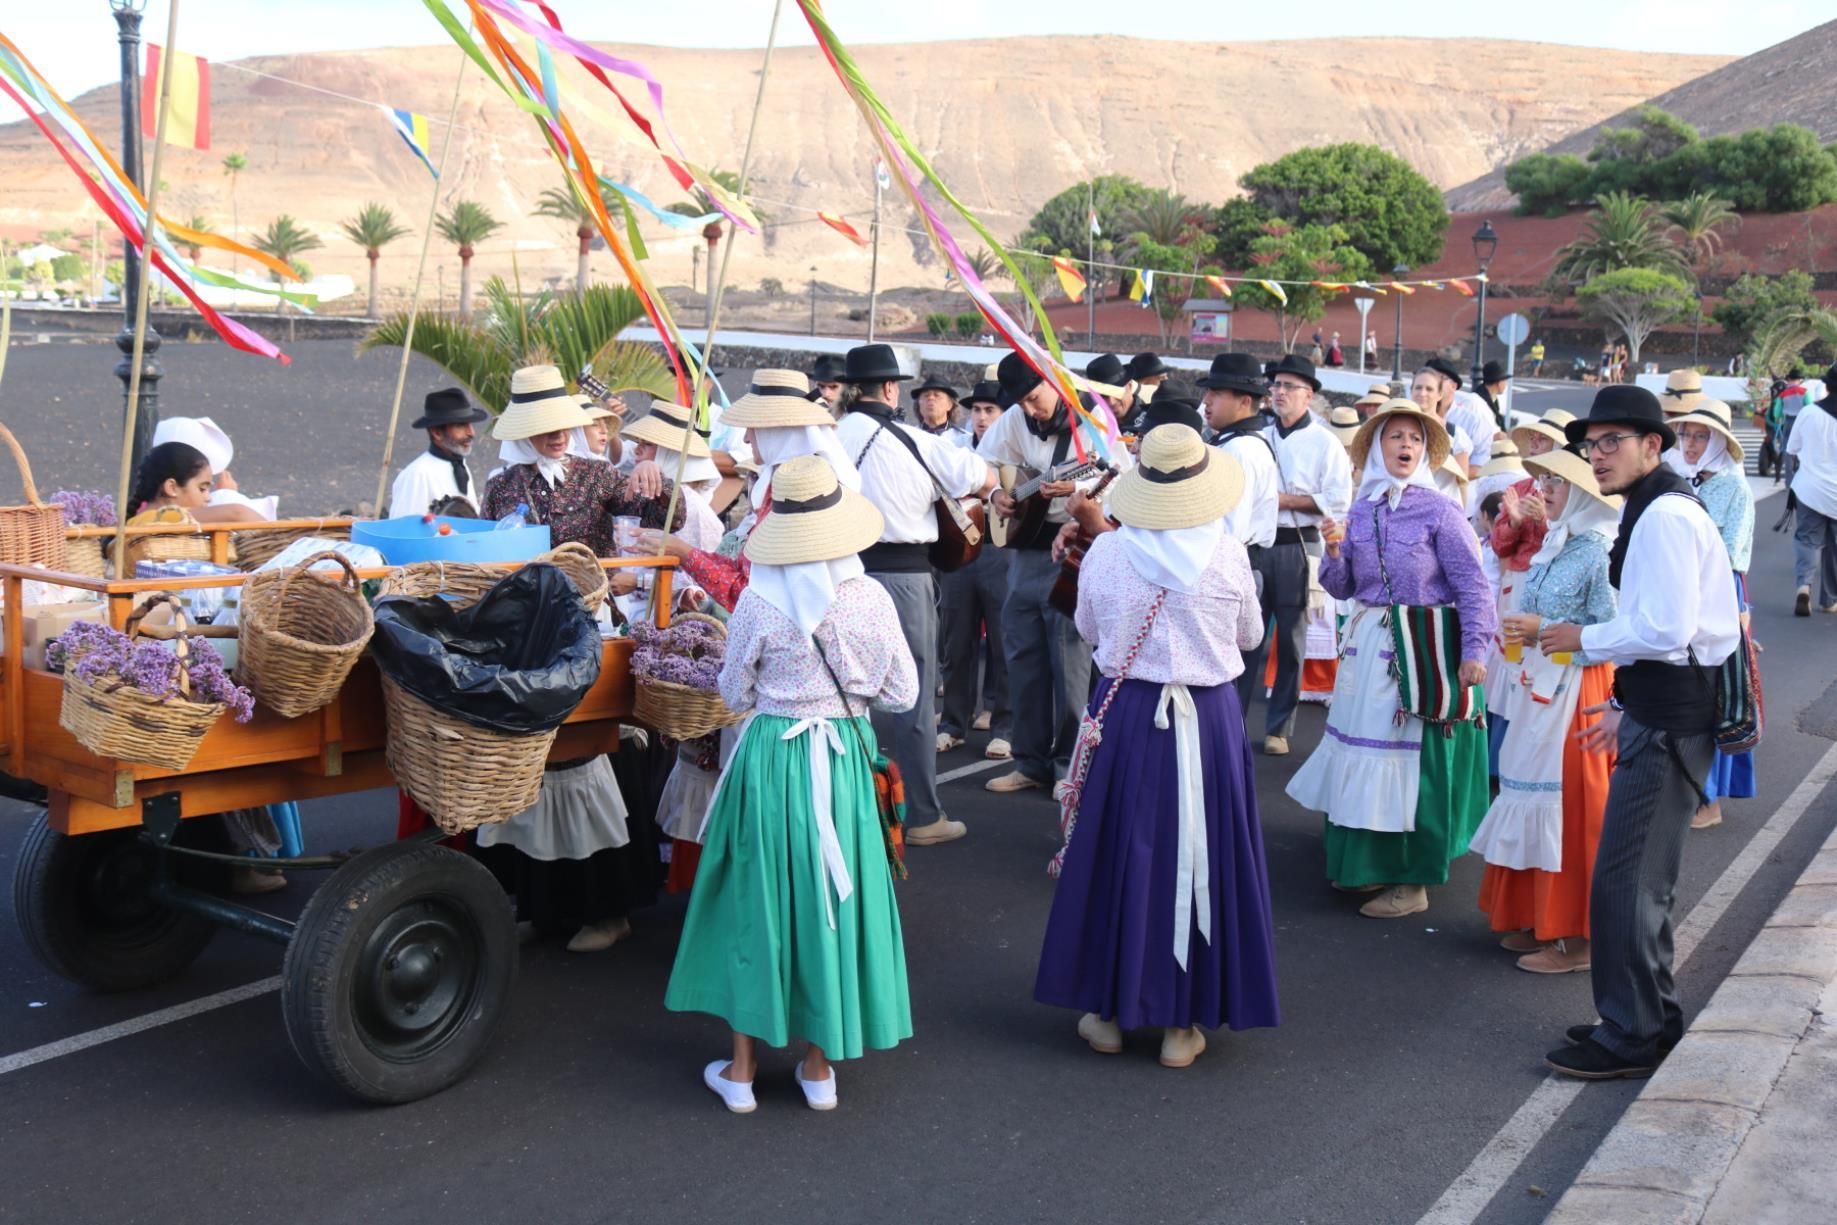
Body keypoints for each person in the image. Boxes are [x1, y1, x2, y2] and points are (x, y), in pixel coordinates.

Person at [664, 455, 918, 1113]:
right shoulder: (869, 597)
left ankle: (743, 1069)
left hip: (771, 760)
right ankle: (818, 1066)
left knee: (756, 901)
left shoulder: (758, 598)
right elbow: (903, 692)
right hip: (843, 759)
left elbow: (732, 691)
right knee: (831, 898)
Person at [1034, 424, 1279, 1066]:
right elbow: (1250, 636)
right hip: (1209, 717)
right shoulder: (1227, 554)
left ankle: (1109, 1013)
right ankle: (1179, 1023)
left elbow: (1089, 628)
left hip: (1128, 711)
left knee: (1120, 850)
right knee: (1200, 855)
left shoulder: (1109, 552)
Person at [1538, 385, 1739, 1080]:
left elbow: (1667, 629)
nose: (1595, 456)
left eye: (1610, 442)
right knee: (1632, 879)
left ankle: (1632, 1033)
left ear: (1651, 445)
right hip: (1662, 709)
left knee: (1628, 881)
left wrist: (1581, 637)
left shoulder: (1664, 516)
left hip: (1672, 717)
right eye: (1590, 444)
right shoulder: (1656, 507)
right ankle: (1642, 1020)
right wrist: (1628, 703)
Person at [474, 365, 682, 952]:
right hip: (527, 640)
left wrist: (653, 478)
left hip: (587, 632)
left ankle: (608, 910)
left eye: (562, 423)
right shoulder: (502, 486)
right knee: (536, 767)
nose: (558, 433)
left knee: (590, 757)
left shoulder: (595, 476)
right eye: (545, 425)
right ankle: (545, 907)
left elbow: (665, 520)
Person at [1285, 398, 1495, 919]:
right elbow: (1344, 587)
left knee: (1408, 763)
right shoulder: (1362, 510)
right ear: (1378, 447)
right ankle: (1368, 864)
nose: (1407, 445)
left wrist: (1474, 650)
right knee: (1363, 754)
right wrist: (1334, 551)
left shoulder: (1441, 510)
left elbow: (1473, 586)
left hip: (1420, 651)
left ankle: (1412, 880)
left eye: (1416, 438)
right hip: (1368, 649)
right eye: (1396, 436)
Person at [834, 343, 995, 844]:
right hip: (904, 578)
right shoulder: (915, 441)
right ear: (890, 388)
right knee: (915, 696)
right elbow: (983, 477)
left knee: (842, 693)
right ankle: (922, 816)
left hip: (840, 575)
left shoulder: (829, 439)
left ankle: (849, 808)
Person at [1471, 447, 1621, 974]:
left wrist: (1545, 631)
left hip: (1577, 686)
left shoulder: (1598, 551)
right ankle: (1539, 918)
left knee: (1572, 805)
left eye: (1559, 482)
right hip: (1540, 679)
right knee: (1526, 788)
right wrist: (1527, 633)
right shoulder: (1559, 541)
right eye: (1546, 480)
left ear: (1583, 493)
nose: (1547, 490)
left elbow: (1614, 632)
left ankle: (1578, 937)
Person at [979, 352, 1111, 796]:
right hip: (1025, 551)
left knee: (1070, 662)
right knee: (1023, 657)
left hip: (1074, 546)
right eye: (1022, 402)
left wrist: (1077, 487)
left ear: (1054, 383)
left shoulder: (1092, 421)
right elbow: (981, 462)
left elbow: (1122, 477)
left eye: (1035, 398)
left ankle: (1069, 767)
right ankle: (1029, 761)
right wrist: (996, 493)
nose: (1030, 409)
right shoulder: (1015, 419)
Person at [1247, 353, 1351, 757]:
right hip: (1258, 544)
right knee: (1245, 637)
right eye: (1275, 385)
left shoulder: (1326, 442)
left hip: (1299, 546)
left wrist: (1285, 500)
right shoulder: (1258, 437)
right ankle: (1232, 722)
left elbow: (1338, 500)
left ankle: (1279, 728)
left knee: (1291, 642)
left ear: (1308, 395)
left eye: (1289, 386)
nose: (1279, 392)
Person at [1667, 400, 1756, 827]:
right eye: (1686, 434)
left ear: (1719, 441)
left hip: (1717, 591)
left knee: (1715, 693)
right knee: (1686, 690)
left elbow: (1730, 554)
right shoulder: (1684, 479)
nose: (1690, 443)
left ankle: (1709, 799)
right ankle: (1689, 791)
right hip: (1684, 588)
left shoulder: (1734, 486)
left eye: (1701, 436)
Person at [938, 379, 1013, 760]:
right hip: (961, 549)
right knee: (956, 642)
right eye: (977, 410)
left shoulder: (1015, 451)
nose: (982, 418)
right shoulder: (955, 449)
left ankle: (1005, 728)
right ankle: (953, 723)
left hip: (1002, 551)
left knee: (1003, 644)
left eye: (990, 410)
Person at [389, 387, 490, 517]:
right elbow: (404, 526)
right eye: (461, 425)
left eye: (470, 425)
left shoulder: (460, 466)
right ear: (437, 433)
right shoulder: (418, 475)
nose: (471, 433)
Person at [1788, 367, 1837, 617]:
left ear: (1827, 386)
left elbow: (1792, 447)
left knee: (1807, 539)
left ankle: (1804, 586)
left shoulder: (1808, 413)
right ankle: (1829, 600)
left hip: (1809, 489)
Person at [1411, 359, 1480, 475]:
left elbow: (1462, 480)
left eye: (1429, 389)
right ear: (1411, 391)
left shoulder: (1456, 435)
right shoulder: (1397, 427)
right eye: (1418, 387)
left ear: (1439, 394)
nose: (1422, 393)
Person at [1085, 353, 1145, 436]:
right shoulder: (1091, 424)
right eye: (1103, 396)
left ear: (1130, 386)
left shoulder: (1151, 421)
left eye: (1116, 392)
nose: (1111, 402)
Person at [911, 374, 971, 447]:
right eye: (926, 395)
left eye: (937, 395)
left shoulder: (964, 440)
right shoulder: (909, 435)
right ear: (919, 403)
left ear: (950, 405)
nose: (931, 398)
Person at [1477, 359, 1511, 431]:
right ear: (1499, 383)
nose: (1506, 384)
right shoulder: (1480, 400)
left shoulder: (1492, 397)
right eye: (1505, 381)